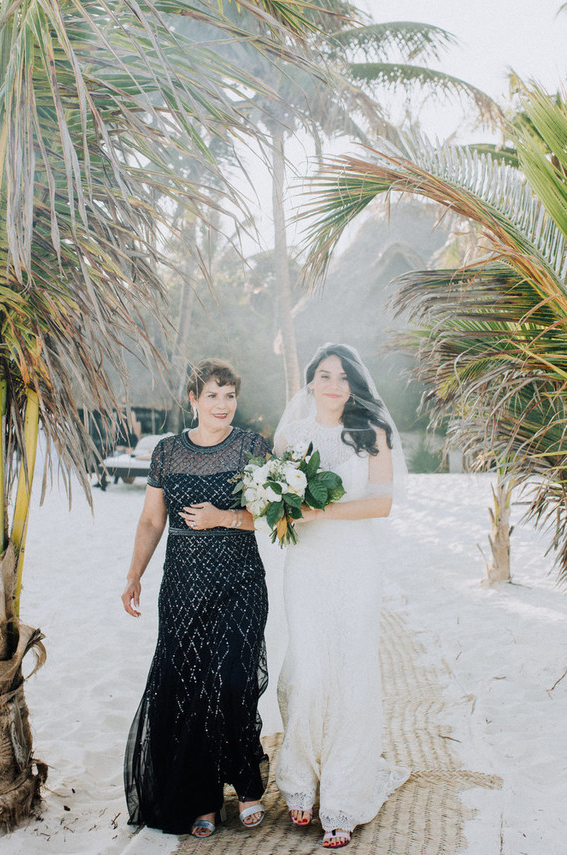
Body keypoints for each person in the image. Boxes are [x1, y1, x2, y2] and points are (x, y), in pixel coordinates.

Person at [122, 358, 270, 837]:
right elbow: (150, 520)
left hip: (240, 583)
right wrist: (134, 574)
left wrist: (222, 518)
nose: (223, 405)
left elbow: (274, 517)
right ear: (193, 400)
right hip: (183, 589)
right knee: (188, 690)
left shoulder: (251, 447)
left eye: (229, 396)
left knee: (232, 683)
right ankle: (202, 798)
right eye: (212, 396)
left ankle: (247, 788)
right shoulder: (167, 452)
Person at [273, 343, 410, 849]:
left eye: (343, 377)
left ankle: (344, 796)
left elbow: (381, 504)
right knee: (307, 673)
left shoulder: (370, 434)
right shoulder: (290, 435)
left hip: (355, 563)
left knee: (350, 671)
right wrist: (282, 510)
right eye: (324, 375)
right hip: (305, 565)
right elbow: (277, 501)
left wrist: (315, 514)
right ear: (310, 382)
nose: (333, 385)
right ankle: (300, 782)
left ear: (354, 385)